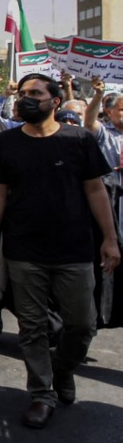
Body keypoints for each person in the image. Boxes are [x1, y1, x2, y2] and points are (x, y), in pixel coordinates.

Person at [0, 73, 120, 429]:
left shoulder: (79, 140)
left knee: (82, 324)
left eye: (35, 93)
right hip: (24, 251)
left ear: (55, 101)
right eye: (23, 93)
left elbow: (95, 191)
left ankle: (63, 370)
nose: (27, 99)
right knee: (32, 328)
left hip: (74, 251)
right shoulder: (7, 143)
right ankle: (41, 394)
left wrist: (109, 238)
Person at [82, 78, 123, 329]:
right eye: (121, 109)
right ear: (109, 111)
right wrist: (97, 97)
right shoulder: (105, 134)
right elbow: (89, 122)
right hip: (110, 200)